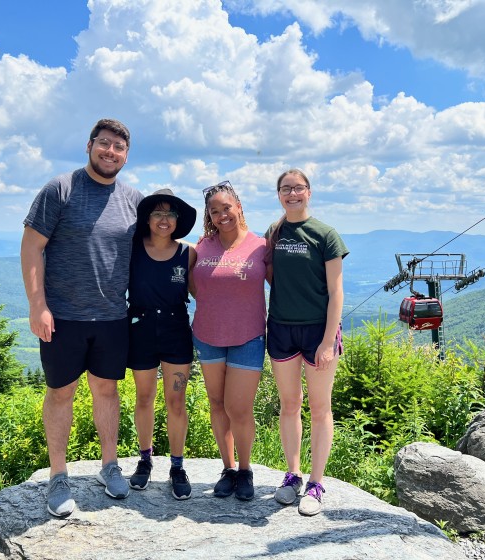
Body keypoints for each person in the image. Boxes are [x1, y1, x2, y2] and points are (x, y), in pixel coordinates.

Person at [20, 118, 143, 518]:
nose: (111, 152)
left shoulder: (133, 200)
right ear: (89, 145)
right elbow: (31, 247)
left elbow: (159, 242)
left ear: (126, 155)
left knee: (107, 391)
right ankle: (58, 476)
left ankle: (110, 466)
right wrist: (38, 305)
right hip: (63, 318)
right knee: (61, 393)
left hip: (112, 318)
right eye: (104, 144)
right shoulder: (61, 189)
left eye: (118, 148)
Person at [266, 169, 348, 516]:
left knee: (320, 408)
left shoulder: (325, 234)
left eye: (298, 188)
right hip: (281, 328)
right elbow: (270, 276)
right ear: (279, 194)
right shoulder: (274, 232)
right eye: (286, 189)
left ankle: (316, 483)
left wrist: (329, 340)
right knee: (289, 404)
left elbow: (336, 291)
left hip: (318, 331)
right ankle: (292, 475)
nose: (292, 194)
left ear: (309, 192)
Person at [189, 181, 269, 501]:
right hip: (208, 335)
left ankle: (246, 469)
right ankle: (228, 468)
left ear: (239, 207)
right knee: (217, 404)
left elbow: (283, 284)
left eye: (227, 208)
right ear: (208, 215)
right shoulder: (201, 247)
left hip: (248, 336)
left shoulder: (260, 246)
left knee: (240, 408)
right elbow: (191, 286)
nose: (222, 215)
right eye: (214, 210)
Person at [126, 188, 197, 500]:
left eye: (170, 213)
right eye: (158, 213)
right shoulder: (133, 248)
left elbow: (205, 289)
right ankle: (144, 460)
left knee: (176, 401)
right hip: (140, 328)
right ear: (148, 218)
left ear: (178, 219)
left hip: (176, 329)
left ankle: (177, 466)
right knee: (144, 397)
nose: (164, 219)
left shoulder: (188, 253)